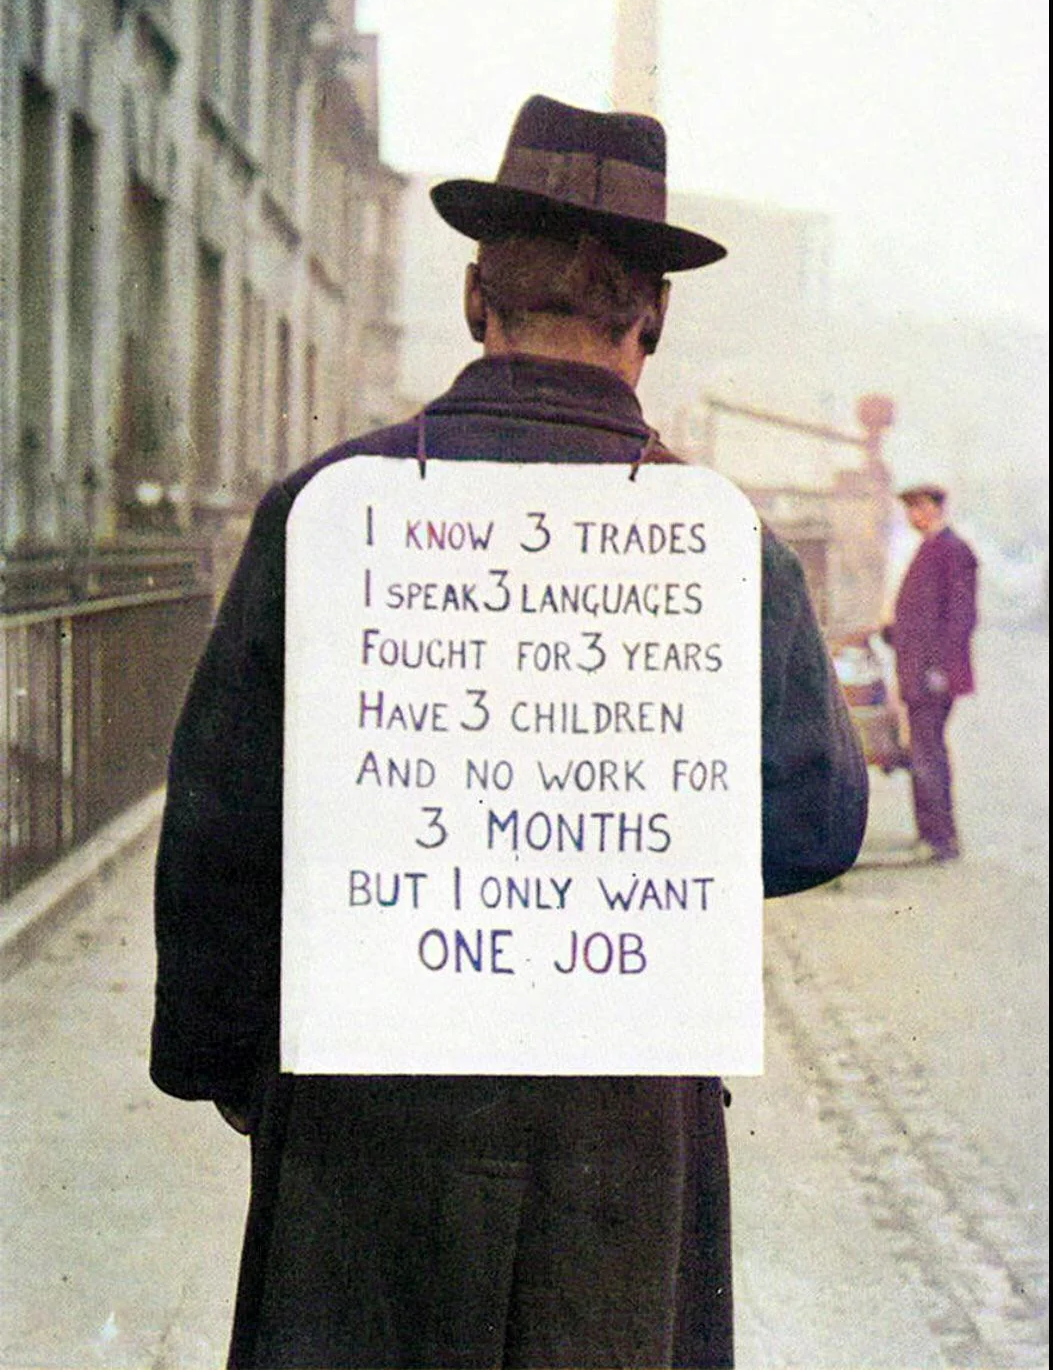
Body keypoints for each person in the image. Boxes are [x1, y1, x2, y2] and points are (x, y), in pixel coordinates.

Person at [150, 94, 868, 1369]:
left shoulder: (331, 511)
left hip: (363, 1122)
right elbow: (815, 821)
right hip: (623, 1135)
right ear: (652, 316)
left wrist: (248, 1075)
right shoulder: (720, 543)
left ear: (477, 298)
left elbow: (218, 826)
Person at [885, 484, 978, 862]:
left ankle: (939, 840)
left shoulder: (952, 551)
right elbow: (917, 615)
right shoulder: (930, 549)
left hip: (931, 676)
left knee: (928, 754)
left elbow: (960, 618)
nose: (914, 515)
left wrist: (939, 670)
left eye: (920, 507)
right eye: (909, 509)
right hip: (918, 672)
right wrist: (889, 631)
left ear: (937, 508)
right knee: (924, 752)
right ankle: (934, 834)